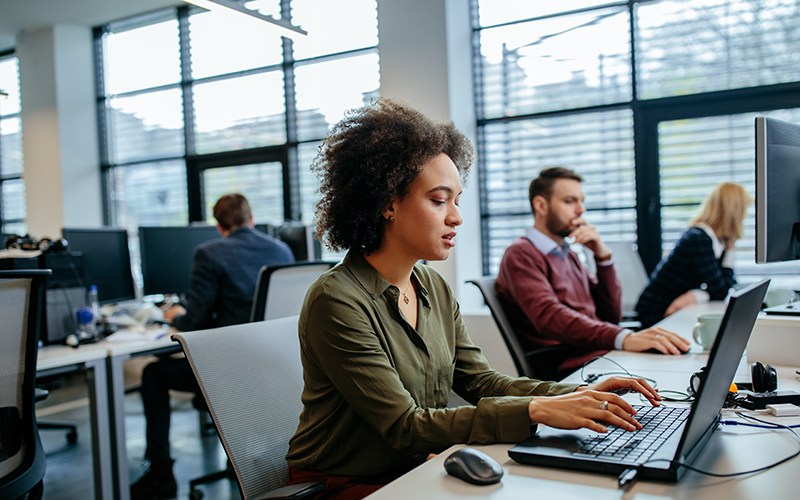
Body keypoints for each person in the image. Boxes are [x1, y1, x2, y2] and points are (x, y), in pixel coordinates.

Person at [284, 99, 662, 500]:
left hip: (414, 468)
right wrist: (536, 411)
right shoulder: (336, 299)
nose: (456, 217)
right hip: (341, 485)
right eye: (438, 200)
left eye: (457, 200)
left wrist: (571, 395)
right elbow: (404, 426)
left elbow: (481, 382)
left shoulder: (434, 286)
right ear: (387, 203)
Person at [131, 194, 295, 500]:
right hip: (277, 365)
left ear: (219, 226)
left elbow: (195, 320)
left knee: (154, 374)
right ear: (250, 219)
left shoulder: (209, 252)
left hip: (230, 370)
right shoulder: (281, 249)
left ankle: (161, 474)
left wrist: (175, 315)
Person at [495, 167, 689, 377]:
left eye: (581, 200)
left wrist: (603, 258)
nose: (581, 210)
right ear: (541, 205)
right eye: (570, 201)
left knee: (677, 359)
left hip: (596, 354)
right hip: (571, 364)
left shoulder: (568, 255)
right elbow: (550, 317)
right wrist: (623, 338)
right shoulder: (521, 254)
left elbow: (610, 315)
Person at [635, 182, 752, 328]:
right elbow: (720, 291)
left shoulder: (717, 241)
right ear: (734, 213)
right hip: (658, 311)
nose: (745, 217)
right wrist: (697, 295)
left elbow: (727, 284)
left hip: (677, 308)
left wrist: (729, 248)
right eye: (744, 211)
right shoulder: (698, 238)